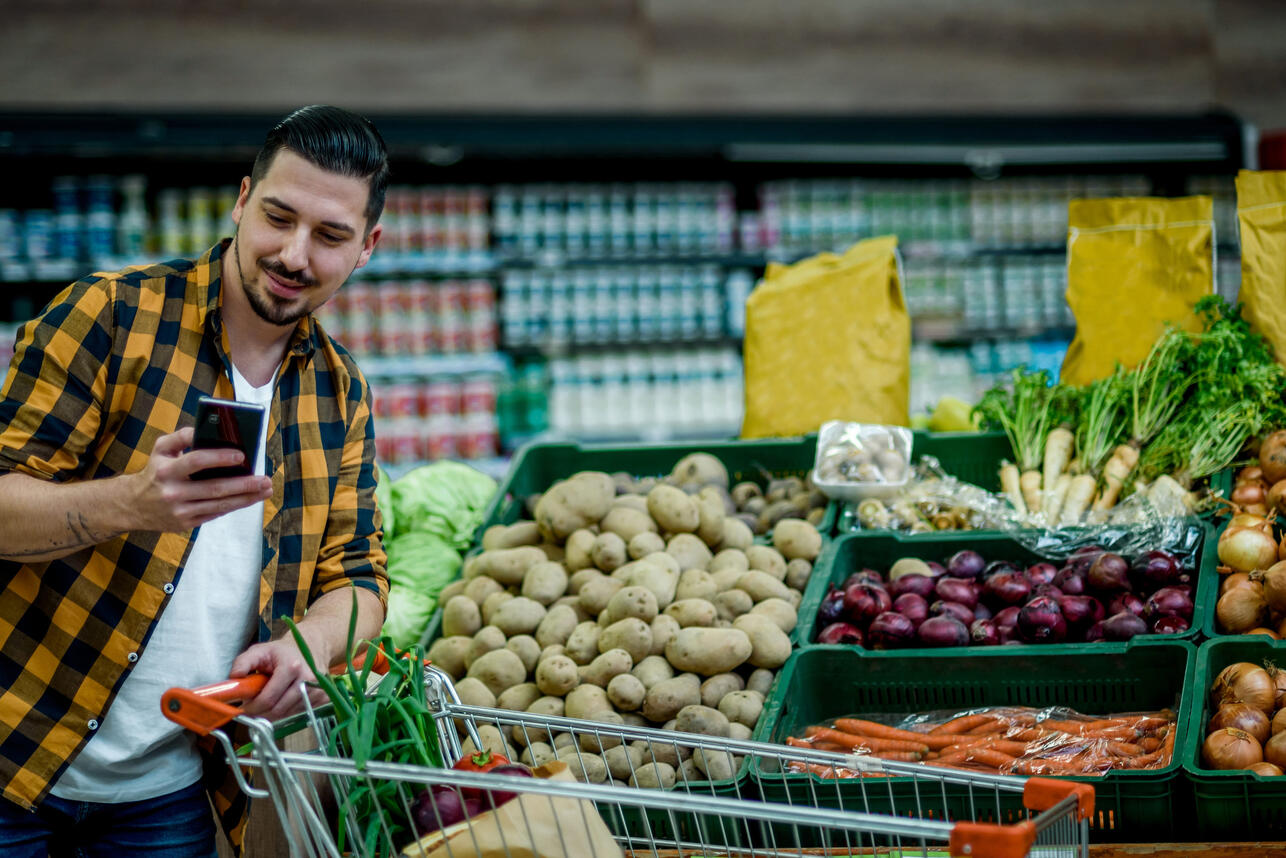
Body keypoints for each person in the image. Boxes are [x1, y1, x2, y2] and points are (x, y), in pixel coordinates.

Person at [0, 105, 391, 857]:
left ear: (366, 247)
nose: (294, 254)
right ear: (242, 200)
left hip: (168, 794)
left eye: (330, 236)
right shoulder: (110, 317)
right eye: (278, 217)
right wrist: (132, 502)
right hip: (16, 762)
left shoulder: (341, 392)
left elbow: (361, 578)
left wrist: (307, 643)